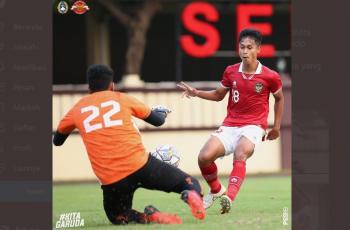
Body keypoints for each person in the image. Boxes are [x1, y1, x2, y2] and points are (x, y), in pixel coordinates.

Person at [53, 64, 205, 225]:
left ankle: (147, 217)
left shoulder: (77, 109)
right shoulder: (122, 98)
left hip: (112, 179)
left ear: (88, 88)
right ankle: (190, 194)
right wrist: (160, 112)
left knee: (118, 216)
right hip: (141, 165)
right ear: (111, 85)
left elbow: (57, 141)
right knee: (188, 182)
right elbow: (158, 121)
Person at [177, 28, 284, 214]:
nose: (244, 51)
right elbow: (219, 95)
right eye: (241, 47)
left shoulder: (270, 76)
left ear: (258, 49)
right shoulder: (231, 71)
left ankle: (229, 197)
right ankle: (217, 189)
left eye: (249, 47)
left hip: (254, 126)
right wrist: (196, 93)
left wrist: (276, 127)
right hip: (230, 125)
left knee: (241, 153)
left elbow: (280, 98)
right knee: (203, 157)